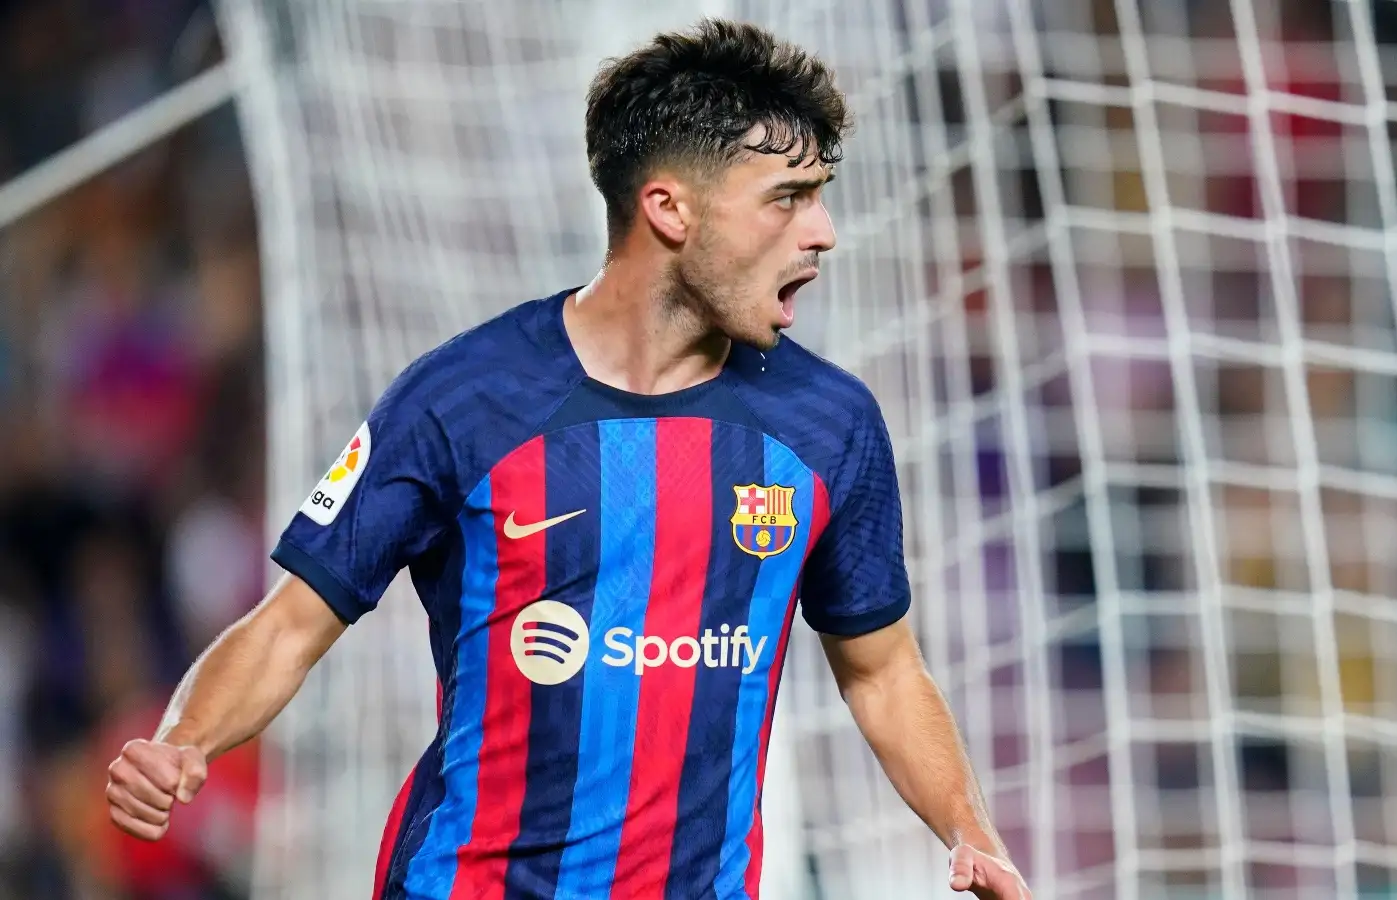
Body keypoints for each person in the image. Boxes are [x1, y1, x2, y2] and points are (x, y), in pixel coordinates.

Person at [104, 18, 1030, 900]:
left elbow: (882, 670)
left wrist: (967, 828)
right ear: (669, 208)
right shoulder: (465, 397)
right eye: (788, 199)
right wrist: (185, 741)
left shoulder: (829, 424)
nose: (822, 230)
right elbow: (291, 624)